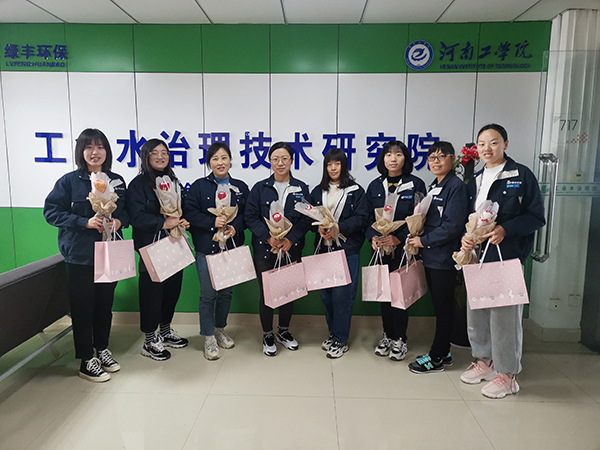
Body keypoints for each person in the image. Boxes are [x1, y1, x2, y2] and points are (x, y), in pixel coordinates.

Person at [459, 123, 545, 398]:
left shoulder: (521, 175)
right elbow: (470, 218)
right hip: (478, 257)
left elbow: (536, 216)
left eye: (494, 142)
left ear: (505, 144)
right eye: (482, 144)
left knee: (504, 317)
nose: (487, 148)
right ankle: (484, 361)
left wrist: (506, 229)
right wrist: (467, 239)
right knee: (478, 312)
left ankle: (507, 375)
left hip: (506, 256)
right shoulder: (475, 179)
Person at [44, 128, 128, 382]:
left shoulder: (116, 180)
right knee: (82, 308)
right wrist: (84, 222)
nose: (95, 152)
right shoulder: (69, 182)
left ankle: (102, 349)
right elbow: (51, 212)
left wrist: (119, 222)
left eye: (100, 147)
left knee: (104, 305)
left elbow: (126, 212)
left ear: (107, 151)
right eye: (89, 147)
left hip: (110, 252)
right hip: (80, 256)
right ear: (81, 151)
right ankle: (86, 359)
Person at [406, 141, 469, 373]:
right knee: (440, 307)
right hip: (432, 256)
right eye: (432, 157)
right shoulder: (435, 186)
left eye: (441, 157)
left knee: (444, 309)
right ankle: (445, 352)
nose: (436, 161)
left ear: (452, 159)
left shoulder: (456, 187)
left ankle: (436, 357)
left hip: (444, 258)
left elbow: (452, 226)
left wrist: (423, 241)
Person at [126, 139, 190, 362]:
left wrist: (183, 220)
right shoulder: (138, 185)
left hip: (174, 244)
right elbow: (135, 217)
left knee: (172, 290)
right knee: (151, 293)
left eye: (164, 152)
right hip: (151, 248)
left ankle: (165, 330)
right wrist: (163, 223)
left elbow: (181, 208)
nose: (161, 156)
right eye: (155, 153)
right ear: (146, 157)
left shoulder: (173, 181)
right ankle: (149, 340)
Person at [245, 142, 310, 356]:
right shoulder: (260, 188)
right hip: (265, 250)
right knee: (267, 293)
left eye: (284, 158)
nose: (280, 163)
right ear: (270, 162)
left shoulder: (301, 188)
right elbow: (250, 217)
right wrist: (267, 238)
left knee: (288, 292)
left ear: (292, 161)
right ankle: (267, 334)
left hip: (291, 249)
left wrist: (291, 239)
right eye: (275, 159)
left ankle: (283, 331)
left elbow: (306, 218)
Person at [185, 142, 249, 360]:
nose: (220, 162)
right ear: (208, 162)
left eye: (224, 158)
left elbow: (248, 214)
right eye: (215, 158)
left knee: (226, 292)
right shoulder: (199, 186)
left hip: (231, 248)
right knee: (208, 294)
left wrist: (235, 227)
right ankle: (208, 336)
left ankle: (220, 329)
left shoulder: (240, 187)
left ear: (230, 160)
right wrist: (212, 222)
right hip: (207, 248)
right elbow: (190, 213)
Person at [365, 141, 426, 361]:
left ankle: (400, 339)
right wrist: (372, 237)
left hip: (404, 250)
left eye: (398, 154)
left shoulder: (415, 184)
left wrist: (399, 238)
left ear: (405, 158)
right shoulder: (375, 186)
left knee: (400, 294)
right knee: (384, 295)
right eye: (388, 155)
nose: (393, 159)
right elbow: (366, 217)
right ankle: (387, 335)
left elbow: (421, 217)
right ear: (382, 159)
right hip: (381, 249)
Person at [308, 149, 369, 358]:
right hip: (323, 250)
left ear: (344, 166)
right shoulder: (318, 191)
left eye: (337, 164)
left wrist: (339, 227)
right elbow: (308, 217)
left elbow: (362, 218)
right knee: (326, 296)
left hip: (346, 251)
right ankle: (333, 334)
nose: (333, 168)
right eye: (329, 164)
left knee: (342, 298)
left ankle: (341, 339)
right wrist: (318, 228)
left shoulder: (356, 191)